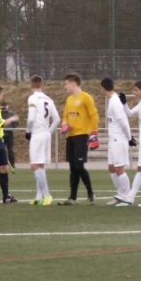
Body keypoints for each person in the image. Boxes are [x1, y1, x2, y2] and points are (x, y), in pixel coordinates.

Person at [58, 73, 99, 205]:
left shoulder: (86, 97)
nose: (65, 86)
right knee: (73, 168)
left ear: (73, 83)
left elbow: (94, 115)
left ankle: (91, 193)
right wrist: (65, 125)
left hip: (82, 136)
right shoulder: (69, 100)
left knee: (79, 166)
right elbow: (65, 116)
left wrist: (94, 132)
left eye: (66, 84)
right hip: (71, 136)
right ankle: (72, 198)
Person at [26, 75, 60, 206]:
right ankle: (39, 196)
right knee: (40, 165)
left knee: (34, 165)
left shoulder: (33, 98)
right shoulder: (49, 99)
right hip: (45, 133)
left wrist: (28, 131)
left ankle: (47, 195)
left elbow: (30, 119)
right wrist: (49, 132)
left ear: (31, 85)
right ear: (42, 85)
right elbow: (57, 119)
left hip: (37, 133)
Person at [100, 77, 134, 205]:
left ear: (103, 88)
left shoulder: (115, 102)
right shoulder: (112, 100)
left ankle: (127, 197)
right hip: (113, 139)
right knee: (111, 167)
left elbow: (123, 122)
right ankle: (120, 195)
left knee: (119, 168)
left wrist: (129, 138)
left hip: (119, 139)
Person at [0, 100, 18, 171]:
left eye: (5, 106)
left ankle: (12, 164)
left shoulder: (11, 113)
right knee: (1, 149)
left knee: (10, 149)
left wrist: (12, 128)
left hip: (9, 133)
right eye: (3, 106)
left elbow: (16, 122)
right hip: (1, 133)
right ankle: (1, 163)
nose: (4, 107)